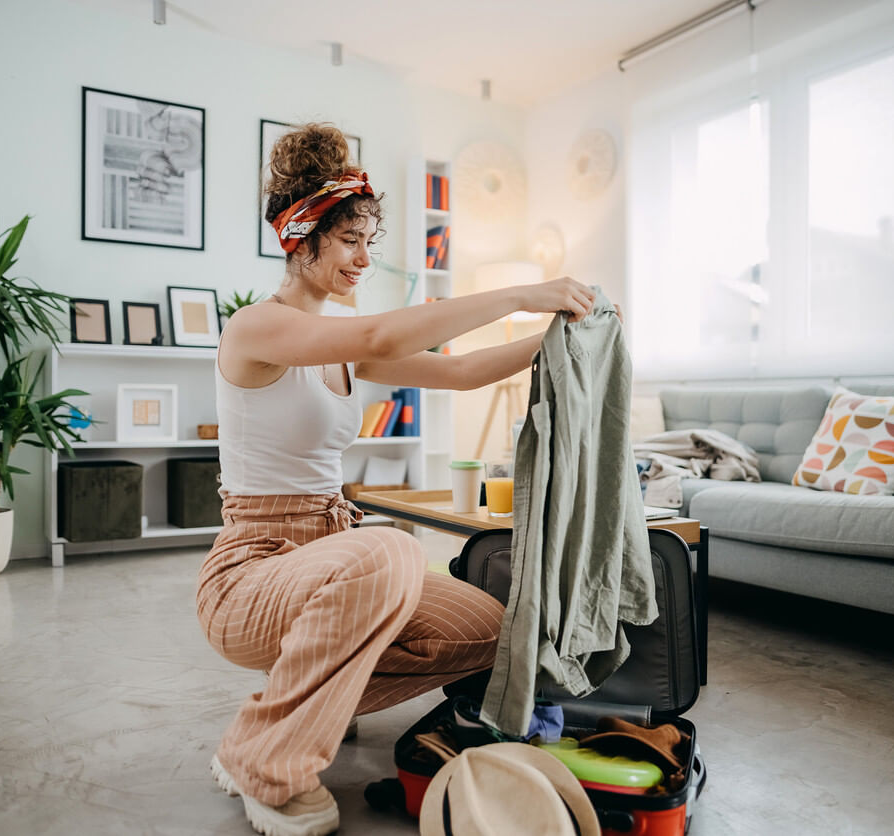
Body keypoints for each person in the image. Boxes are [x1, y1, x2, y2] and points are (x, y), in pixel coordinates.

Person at [195, 122, 596, 836]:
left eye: (367, 242)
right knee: (392, 549)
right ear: (300, 236)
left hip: (332, 553)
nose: (361, 259)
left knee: (496, 634)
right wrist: (525, 292)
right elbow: (382, 335)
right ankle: (264, 760)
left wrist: (571, 334)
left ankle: (290, 703)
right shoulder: (255, 329)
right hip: (251, 575)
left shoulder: (341, 346)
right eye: (348, 240)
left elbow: (458, 370)